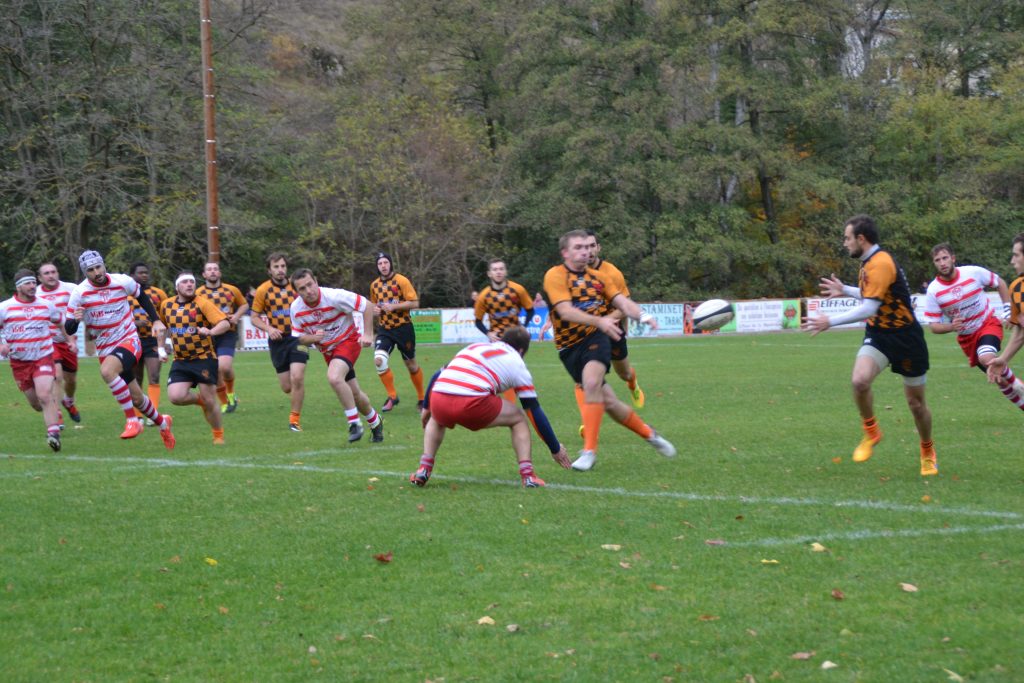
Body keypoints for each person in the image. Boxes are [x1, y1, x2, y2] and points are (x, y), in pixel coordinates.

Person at [801, 215, 936, 476]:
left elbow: (869, 307)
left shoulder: (881, 263)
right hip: (879, 335)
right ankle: (871, 431)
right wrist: (846, 289)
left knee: (917, 406)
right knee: (859, 381)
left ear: (861, 239)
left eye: (847, 238)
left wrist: (829, 321)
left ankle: (927, 450)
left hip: (906, 338)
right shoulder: (868, 263)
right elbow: (872, 295)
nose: (844, 243)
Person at [543, 229, 676, 471]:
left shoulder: (601, 277)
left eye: (587, 247)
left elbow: (622, 302)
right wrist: (600, 320)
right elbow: (564, 311)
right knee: (611, 403)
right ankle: (650, 434)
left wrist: (643, 315)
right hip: (568, 347)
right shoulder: (555, 275)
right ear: (565, 253)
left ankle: (589, 451)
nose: (585, 252)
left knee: (592, 383)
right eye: (579, 248)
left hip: (596, 338)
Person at [410, 325, 571, 488]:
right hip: (470, 403)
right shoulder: (517, 363)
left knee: (437, 419)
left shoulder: (475, 346)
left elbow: (437, 375)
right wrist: (555, 448)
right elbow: (533, 410)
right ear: (522, 351)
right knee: (519, 418)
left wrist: (427, 408)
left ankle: (424, 469)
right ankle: (528, 476)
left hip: (439, 397)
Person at [64, 250, 175, 448]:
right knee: (137, 398)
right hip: (105, 347)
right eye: (90, 270)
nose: (96, 272)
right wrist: (76, 320)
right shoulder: (79, 293)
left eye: (98, 266)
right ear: (85, 272)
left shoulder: (121, 281)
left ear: (103, 265)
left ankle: (132, 420)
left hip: (128, 339)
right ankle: (163, 422)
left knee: (107, 371)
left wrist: (156, 321)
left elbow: (141, 296)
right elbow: (69, 327)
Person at [922, 243, 1024, 410]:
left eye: (945, 258)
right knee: (999, 379)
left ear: (953, 258)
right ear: (934, 263)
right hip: (967, 338)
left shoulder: (972, 272)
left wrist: (1007, 309)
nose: (942, 263)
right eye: (937, 260)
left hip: (987, 324)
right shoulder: (934, 290)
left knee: (986, 359)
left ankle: (1017, 383)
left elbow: (999, 282)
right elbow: (933, 326)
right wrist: (951, 327)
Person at [289, 268, 385, 443]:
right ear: (297, 292)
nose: (308, 290)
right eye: (302, 288)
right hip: (328, 351)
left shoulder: (334, 296)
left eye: (310, 284)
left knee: (334, 377)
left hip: (348, 341)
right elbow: (299, 339)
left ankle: (354, 423)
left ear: (316, 281)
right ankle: (375, 421)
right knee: (354, 394)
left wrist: (369, 334)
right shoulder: (296, 309)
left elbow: (367, 306)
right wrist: (313, 338)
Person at [159, 271, 230, 444]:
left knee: (210, 400)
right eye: (185, 282)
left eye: (192, 281)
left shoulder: (202, 303)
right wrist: (160, 348)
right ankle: (201, 401)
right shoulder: (167, 305)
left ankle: (218, 435)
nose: (190, 284)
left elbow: (225, 323)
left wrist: (211, 331)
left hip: (204, 358)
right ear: (177, 287)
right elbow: (161, 326)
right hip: (181, 360)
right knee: (175, 397)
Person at [0, 269, 63, 451]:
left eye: (34, 283)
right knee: (37, 404)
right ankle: (51, 411)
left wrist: (70, 339)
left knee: (45, 395)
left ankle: (53, 435)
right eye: (28, 283)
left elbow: (60, 320)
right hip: (19, 363)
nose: (32, 286)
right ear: (19, 287)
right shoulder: (5, 307)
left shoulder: (45, 305)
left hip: (43, 357)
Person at [584, 231, 646, 408]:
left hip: (613, 332)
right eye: (583, 246)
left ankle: (632, 383)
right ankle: (588, 422)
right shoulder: (573, 274)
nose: (588, 251)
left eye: (591, 246)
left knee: (624, 373)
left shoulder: (612, 273)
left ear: (598, 248)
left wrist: (606, 322)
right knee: (587, 378)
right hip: (586, 335)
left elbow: (624, 306)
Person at [249, 252, 308, 431]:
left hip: (299, 337)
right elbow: (254, 317)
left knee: (297, 377)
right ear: (269, 270)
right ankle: (296, 396)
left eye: (283, 266)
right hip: (277, 341)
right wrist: (269, 329)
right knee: (287, 386)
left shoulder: (297, 286)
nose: (280, 270)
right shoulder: (263, 290)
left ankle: (294, 420)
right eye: (276, 267)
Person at [369, 252, 425, 411]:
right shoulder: (374, 285)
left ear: (391, 264)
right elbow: (375, 306)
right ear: (377, 266)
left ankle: (421, 399)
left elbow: (415, 303)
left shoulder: (401, 281)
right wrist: (376, 311)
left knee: (411, 365)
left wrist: (395, 306)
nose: (383, 266)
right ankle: (392, 396)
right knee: (378, 360)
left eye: (386, 262)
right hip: (385, 329)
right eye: (380, 264)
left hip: (403, 328)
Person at [196, 261, 248, 414]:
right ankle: (225, 402)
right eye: (209, 269)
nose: (213, 272)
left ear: (219, 273)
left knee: (224, 367)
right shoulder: (198, 293)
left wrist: (237, 316)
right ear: (204, 274)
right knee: (215, 370)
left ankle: (231, 393)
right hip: (207, 336)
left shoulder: (231, 290)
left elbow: (244, 305)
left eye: (215, 269)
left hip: (227, 333)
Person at [37, 262, 82, 424]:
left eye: (53, 272)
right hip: (48, 341)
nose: (51, 275)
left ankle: (69, 400)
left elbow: (86, 300)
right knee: (56, 376)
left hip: (68, 339)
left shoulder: (70, 289)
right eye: (47, 273)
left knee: (71, 380)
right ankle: (56, 413)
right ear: (40, 278)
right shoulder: (35, 294)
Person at [127, 262, 168, 421]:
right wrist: (134, 323)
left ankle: (153, 415)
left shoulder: (158, 294)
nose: (144, 275)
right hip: (133, 340)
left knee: (155, 376)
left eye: (146, 272)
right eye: (140, 273)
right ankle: (138, 416)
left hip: (153, 341)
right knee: (136, 379)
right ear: (132, 276)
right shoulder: (124, 295)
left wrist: (166, 342)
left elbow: (166, 318)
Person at [986, 233, 1024, 394]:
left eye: (1016, 255)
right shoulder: (1016, 288)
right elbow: (1021, 330)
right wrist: (1003, 359)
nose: (1012, 261)